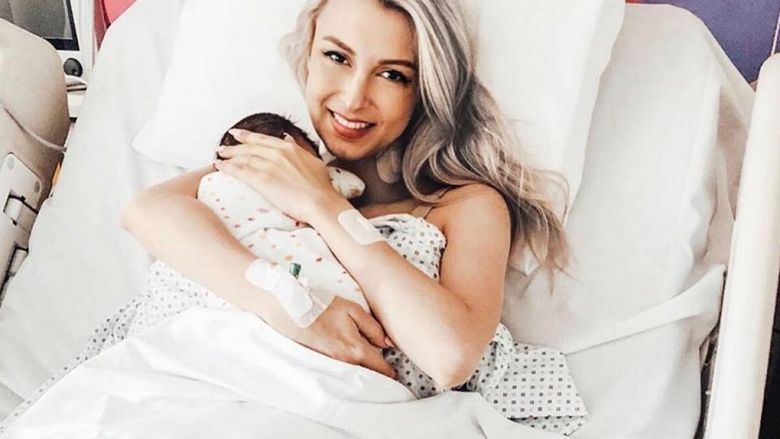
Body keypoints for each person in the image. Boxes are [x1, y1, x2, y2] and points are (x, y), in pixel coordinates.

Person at [120, 0, 586, 434]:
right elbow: (146, 211)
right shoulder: (276, 158)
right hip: (189, 396)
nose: (353, 96)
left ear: (425, 89)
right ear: (307, 55)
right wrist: (296, 311)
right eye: (337, 57)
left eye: (393, 75)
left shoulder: (465, 206)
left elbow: (449, 356)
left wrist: (324, 205)